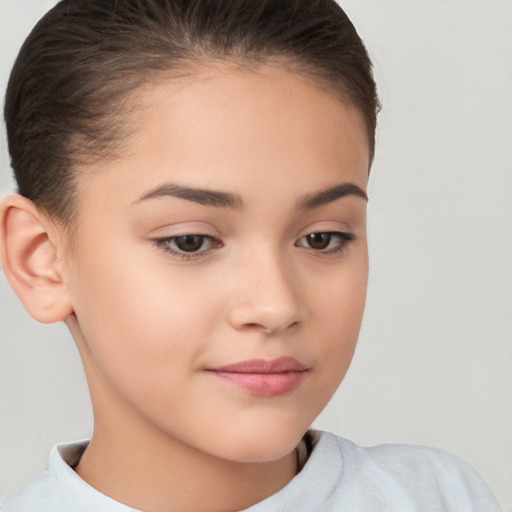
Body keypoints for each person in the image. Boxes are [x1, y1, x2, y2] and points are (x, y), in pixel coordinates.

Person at [0, 1, 502, 511]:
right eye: (190, 241)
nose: (276, 305)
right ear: (40, 260)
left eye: (322, 238)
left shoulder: (438, 497)